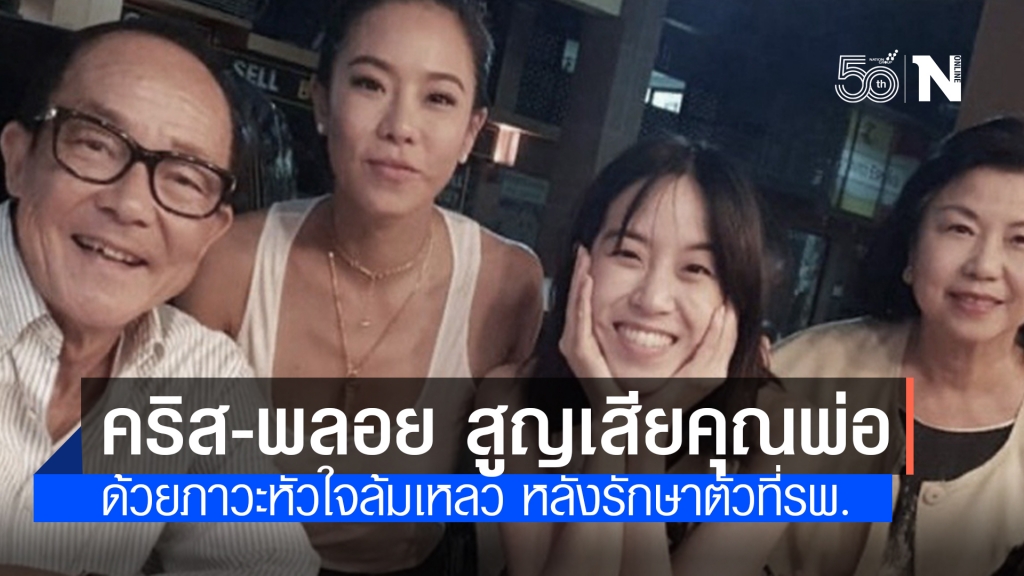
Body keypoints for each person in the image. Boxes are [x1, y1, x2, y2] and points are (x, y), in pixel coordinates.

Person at [176, 0, 544, 574]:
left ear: (471, 131)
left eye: (438, 98)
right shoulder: (229, 263)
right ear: (323, 101)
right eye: (370, 84)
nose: (401, 127)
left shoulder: (505, 283)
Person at [0, 19, 317, 576]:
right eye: (96, 144)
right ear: (19, 160)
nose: (130, 205)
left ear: (213, 233)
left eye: (185, 179)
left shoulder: (201, 374)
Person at [478, 136, 806, 576]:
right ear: (582, 263)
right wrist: (614, 421)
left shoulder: (778, 434)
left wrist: (645, 441)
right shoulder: (510, 401)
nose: (652, 300)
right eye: (628, 254)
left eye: (696, 269)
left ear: (736, 297)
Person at [768, 117, 1024, 576]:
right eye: (959, 229)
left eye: (1020, 240)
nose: (984, 266)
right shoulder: (801, 372)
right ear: (911, 248)